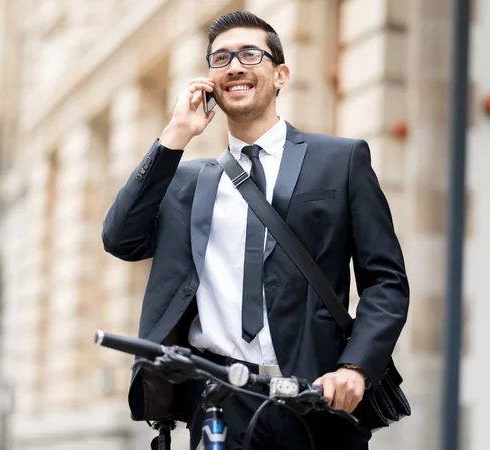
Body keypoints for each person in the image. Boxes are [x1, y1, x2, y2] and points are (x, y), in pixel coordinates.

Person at [102, 10, 409, 450]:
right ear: (210, 81)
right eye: (221, 59)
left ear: (281, 74)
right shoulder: (187, 181)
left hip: (316, 402)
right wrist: (174, 135)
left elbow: (386, 281)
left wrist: (356, 368)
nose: (235, 66)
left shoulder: (340, 161)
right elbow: (121, 239)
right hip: (217, 404)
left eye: (249, 54)